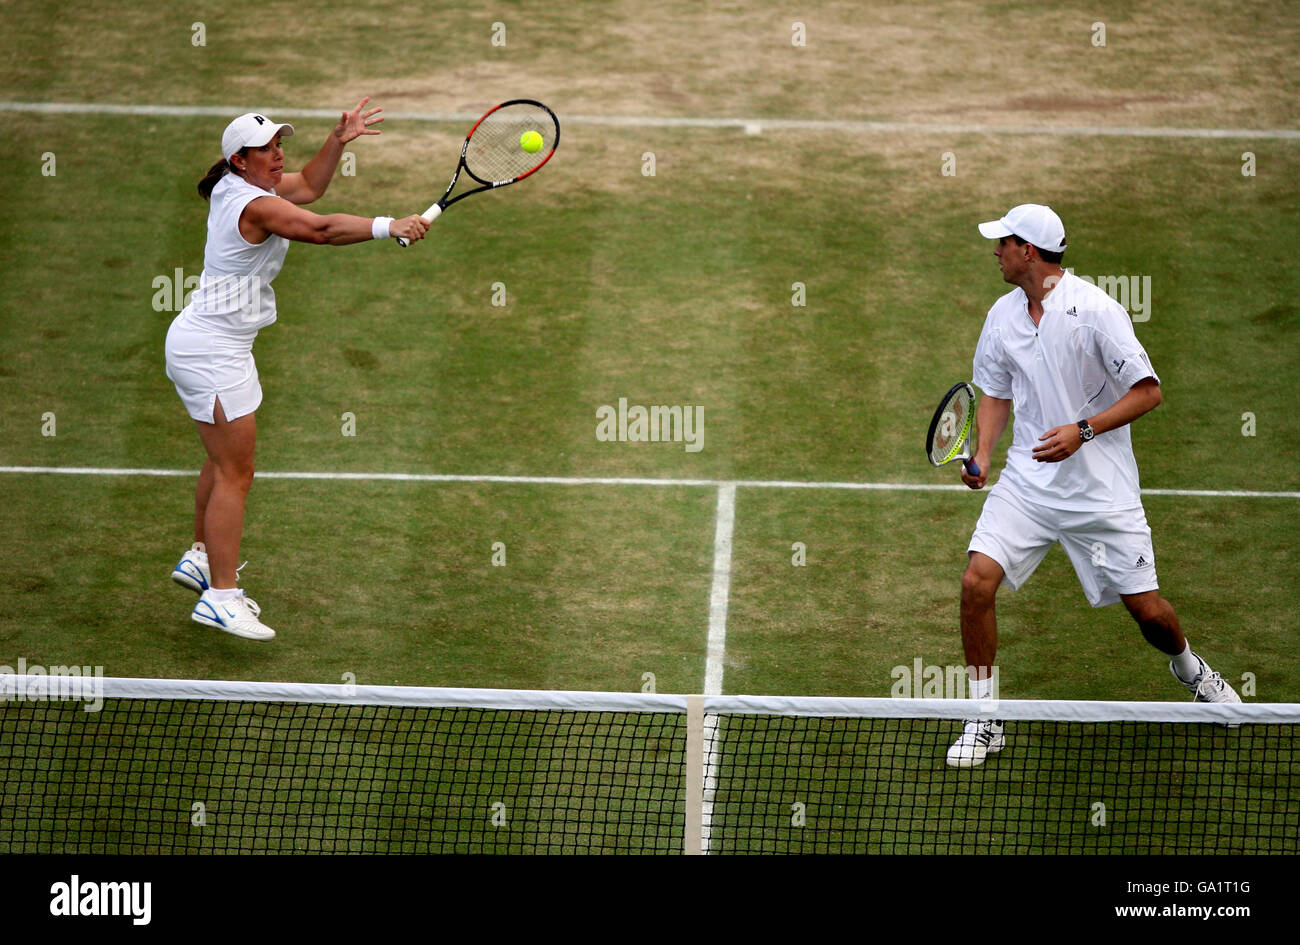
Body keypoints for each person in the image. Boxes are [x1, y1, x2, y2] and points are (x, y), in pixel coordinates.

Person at [947, 204, 1239, 768]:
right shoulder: (1003, 315)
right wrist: (982, 454)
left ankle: (1190, 669)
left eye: (1002, 243)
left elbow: (1148, 392)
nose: (995, 252)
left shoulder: (1097, 311)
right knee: (975, 583)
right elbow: (996, 393)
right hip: (1028, 486)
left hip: (1100, 494)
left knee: (1149, 614)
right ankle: (984, 719)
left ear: (1027, 251)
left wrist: (1082, 431)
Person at [166, 99, 430, 641]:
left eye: (280, 145)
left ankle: (200, 558)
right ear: (239, 160)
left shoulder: (233, 188)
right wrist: (389, 226)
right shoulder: (256, 206)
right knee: (237, 472)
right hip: (213, 351)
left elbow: (309, 189)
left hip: (211, 345)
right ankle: (220, 596)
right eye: (268, 149)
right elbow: (323, 228)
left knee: (221, 463)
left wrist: (337, 141)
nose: (279, 156)